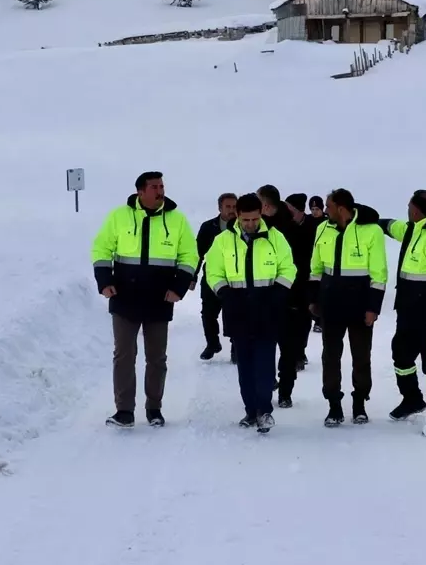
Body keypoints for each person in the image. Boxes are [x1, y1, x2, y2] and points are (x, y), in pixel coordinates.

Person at [91, 171, 197, 429]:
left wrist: (178, 288)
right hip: (124, 296)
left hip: (160, 298)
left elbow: (189, 256)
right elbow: (101, 249)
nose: (160, 191)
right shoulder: (119, 216)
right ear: (140, 191)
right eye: (154, 187)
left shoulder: (177, 220)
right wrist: (105, 281)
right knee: (124, 355)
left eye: (161, 186)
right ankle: (124, 410)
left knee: (157, 358)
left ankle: (154, 409)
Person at [204, 193, 296, 433]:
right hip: (238, 310)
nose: (250, 224)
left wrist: (277, 293)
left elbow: (288, 268)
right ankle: (250, 410)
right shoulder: (223, 241)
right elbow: (213, 271)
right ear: (237, 216)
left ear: (261, 215)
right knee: (245, 365)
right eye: (246, 220)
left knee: (265, 364)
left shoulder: (276, 238)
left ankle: (264, 410)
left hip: (268, 309)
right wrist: (225, 293)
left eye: (255, 219)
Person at [378, 190, 426, 436]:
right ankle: (412, 399)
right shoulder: (414, 229)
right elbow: (394, 228)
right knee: (401, 356)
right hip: (408, 314)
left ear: (415, 209)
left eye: (408, 206)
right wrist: (371, 219)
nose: (406, 210)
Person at [309, 188, 388, 427]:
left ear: (341, 208)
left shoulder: (371, 231)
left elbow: (379, 274)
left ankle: (359, 404)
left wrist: (373, 308)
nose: (325, 210)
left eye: (328, 206)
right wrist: (313, 300)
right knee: (330, 357)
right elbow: (315, 268)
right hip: (331, 304)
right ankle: (334, 406)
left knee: (361, 357)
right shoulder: (323, 228)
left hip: (359, 305)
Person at [275, 192, 321, 408]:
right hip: (278, 295)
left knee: (292, 345)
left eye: (290, 208)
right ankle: (275, 385)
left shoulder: (314, 227)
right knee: (272, 345)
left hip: (301, 293)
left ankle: (285, 390)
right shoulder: (276, 229)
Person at [193, 193, 238, 361]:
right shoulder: (208, 227)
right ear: (220, 208)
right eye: (228, 206)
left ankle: (236, 348)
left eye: (234, 207)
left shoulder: (241, 228)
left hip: (235, 279)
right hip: (211, 278)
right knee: (208, 313)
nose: (232, 210)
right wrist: (193, 276)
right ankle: (212, 343)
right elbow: (198, 253)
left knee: (234, 313)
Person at [308, 195, 326, 333]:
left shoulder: (327, 223)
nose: (314, 212)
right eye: (312, 209)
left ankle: (320, 321)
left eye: (317, 209)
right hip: (310, 261)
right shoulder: (308, 222)